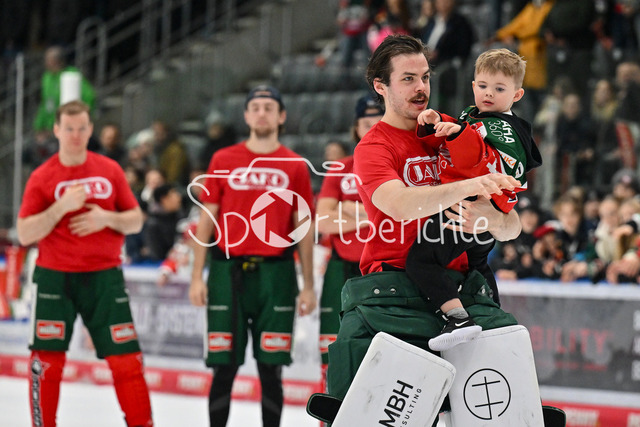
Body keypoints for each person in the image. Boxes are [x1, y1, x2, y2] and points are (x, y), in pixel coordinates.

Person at [326, 34, 522, 403]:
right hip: (395, 291)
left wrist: (492, 219)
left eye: (425, 77)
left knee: (502, 400)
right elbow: (399, 205)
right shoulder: (374, 147)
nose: (421, 88)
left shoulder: (450, 133)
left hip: (464, 289)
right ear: (380, 86)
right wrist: (469, 187)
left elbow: (513, 226)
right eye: (408, 79)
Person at [16, 100, 153, 427]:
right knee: (46, 363)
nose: (75, 135)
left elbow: (136, 220)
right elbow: (24, 233)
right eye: (69, 129)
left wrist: (107, 218)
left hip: (104, 277)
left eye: (81, 128)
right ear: (57, 130)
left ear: (90, 130)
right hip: (55, 278)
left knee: (127, 362)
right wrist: (60, 208)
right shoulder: (42, 177)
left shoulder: (110, 170)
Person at [189, 85, 317, 427]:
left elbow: (304, 228)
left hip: (276, 275)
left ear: (281, 116)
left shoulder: (295, 165)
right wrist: (196, 276)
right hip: (226, 272)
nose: (262, 113)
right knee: (223, 367)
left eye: (269, 107)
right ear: (246, 115)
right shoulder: (222, 160)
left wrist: (308, 285)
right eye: (256, 107)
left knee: (271, 369)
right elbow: (206, 220)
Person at [404, 47, 542, 351]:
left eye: (499, 89)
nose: (488, 93)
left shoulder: (506, 131)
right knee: (478, 267)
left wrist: (456, 134)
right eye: (482, 86)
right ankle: (496, 324)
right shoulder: (475, 115)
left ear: (517, 95)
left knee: (421, 261)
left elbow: (481, 164)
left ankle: (457, 318)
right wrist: (436, 120)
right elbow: (463, 131)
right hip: (474, 209)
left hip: (468, 206)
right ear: (473, 85)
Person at [315, 93, 383, 390]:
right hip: (341, 267)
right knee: (332, 344)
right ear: (355, 127)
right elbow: (323, 221)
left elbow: (404, 217)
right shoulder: (340, 169)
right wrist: (372, 214)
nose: (372, 127)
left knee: (381, 349)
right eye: (366, 123)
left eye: (378, 121)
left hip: (383, 269)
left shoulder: (398, 164)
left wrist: (347, 208)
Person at [33, 46, 96, 142]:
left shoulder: (71, 74)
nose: (45, 62)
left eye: (48, 59)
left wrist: (81, 119)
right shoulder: (47, 77)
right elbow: (45, 102)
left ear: (56, 61)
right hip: (50, 127)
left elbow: (89, 96)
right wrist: (39, 126)